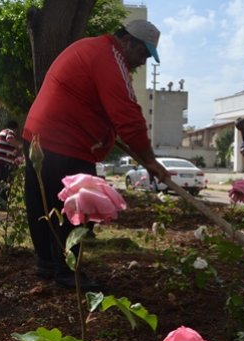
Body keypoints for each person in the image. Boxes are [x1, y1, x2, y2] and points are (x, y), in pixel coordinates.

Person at [22, 19, 170, 290]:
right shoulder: (111, 58)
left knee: (43, 205)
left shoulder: (93, 49)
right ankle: (67, 272)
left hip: (39, 136)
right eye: (142, 53)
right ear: (127, 41)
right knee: (80, 210)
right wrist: (149, 160)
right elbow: (128, 116)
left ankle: (48, 263)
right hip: (64, 142)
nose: (142, 61)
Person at [0, 120, 22, 211]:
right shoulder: (9, 132)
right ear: (15, 129)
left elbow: (5, 146)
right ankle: (2, 204)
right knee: (5, 183)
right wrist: (21, 145)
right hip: (2, 162)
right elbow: (10, 139)